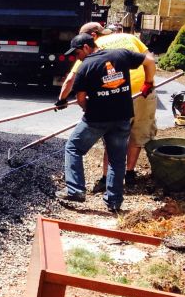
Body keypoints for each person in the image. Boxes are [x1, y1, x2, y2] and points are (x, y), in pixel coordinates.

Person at [55, 31, 155, 212]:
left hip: (96, 119)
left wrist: (81, 107)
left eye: (77, 53)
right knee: (117, 159)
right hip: (122, 116)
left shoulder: (86, 66)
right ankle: (114, 201)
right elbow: (149, 61)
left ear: (86, 47)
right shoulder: (121, 54)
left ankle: (75, 190)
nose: (77, 58)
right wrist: (148, 82)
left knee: (73, 148)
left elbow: (81, 98)